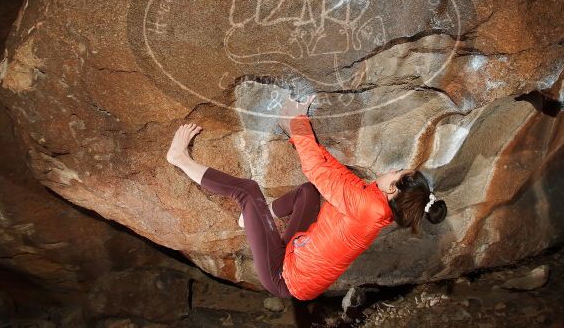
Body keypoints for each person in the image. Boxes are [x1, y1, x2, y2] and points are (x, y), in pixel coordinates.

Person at [165, 95, 446, 300]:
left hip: (284, 277)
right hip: (299, 251)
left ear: (392, 189)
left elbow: (314, 168)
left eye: (396, 172)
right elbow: (336, 176)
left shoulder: (368, 208)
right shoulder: (379, 205)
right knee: (309, 192)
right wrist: (300, 128)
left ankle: (179, 158)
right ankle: (252, 220)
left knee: (248, 191)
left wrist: (298, 123)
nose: (391, 170)